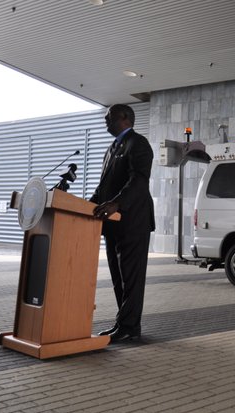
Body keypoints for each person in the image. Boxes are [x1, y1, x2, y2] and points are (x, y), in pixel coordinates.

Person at [90, 104, 155, 343]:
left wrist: (116, 203)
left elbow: (139, 180)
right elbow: (104, 186)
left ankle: (130, 326)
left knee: (131, 277)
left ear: (125, 117)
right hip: (113, 225)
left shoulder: (139, 144)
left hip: (133, 221)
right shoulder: (112, 147)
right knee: (118, 277)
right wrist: (89, 204)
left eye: (109, 118)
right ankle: (124, 323)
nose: (105, 122)